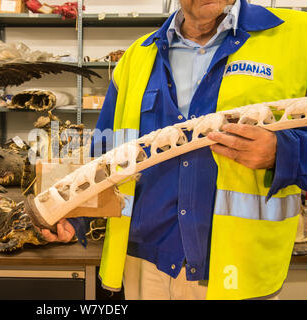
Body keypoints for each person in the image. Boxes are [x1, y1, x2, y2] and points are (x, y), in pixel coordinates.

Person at [39, 0, 307, 300]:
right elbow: (105, 152)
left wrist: (283, 154)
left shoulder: (297, 37)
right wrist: (75, 215)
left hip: (238, 265)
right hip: (145, 263)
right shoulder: (137, 56)